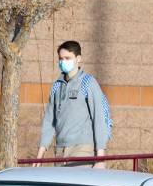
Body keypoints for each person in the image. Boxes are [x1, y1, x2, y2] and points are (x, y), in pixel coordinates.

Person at [33, 40, 112, 168]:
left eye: (67, 58)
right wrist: (40, 153)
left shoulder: (88, 83)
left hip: (82, 150)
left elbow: (99, 118)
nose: (63, 62)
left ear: (78, 59)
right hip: (60, 150)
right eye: (61, 58)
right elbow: (49, 121)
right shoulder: (56, 86)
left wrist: (100, 157)